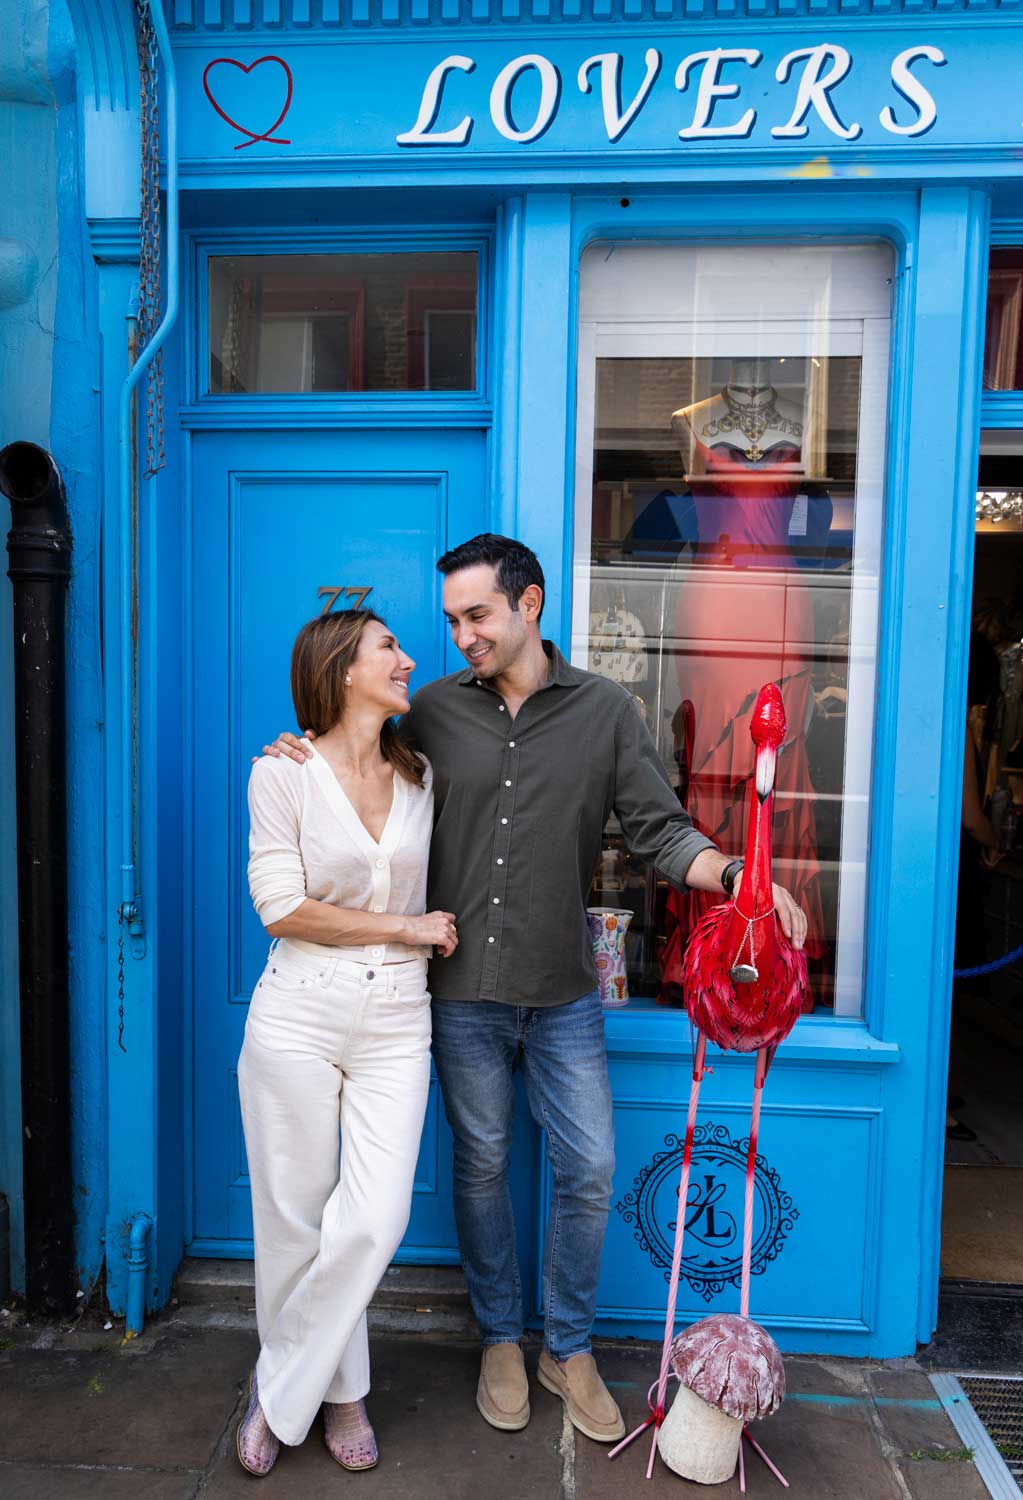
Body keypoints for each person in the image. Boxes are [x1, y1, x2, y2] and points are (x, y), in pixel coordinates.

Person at [264, 535, 807, 1446]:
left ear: (530, 605)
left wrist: (738, 877)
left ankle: (569, 1346)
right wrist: (299, 751)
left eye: (475, 615)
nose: (461, 635)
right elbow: (353, 760)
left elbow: (659, 832)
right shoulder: (428, 710)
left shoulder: (603, 712)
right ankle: (500, 1341)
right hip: (459, 992)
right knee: (479, 1168)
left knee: (588, 1167)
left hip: (561, 991)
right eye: (450, 620)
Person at [236, 609, 458, 1476]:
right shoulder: (281, 775)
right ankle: (341, 1396)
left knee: (372, 1217)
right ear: (340, 669)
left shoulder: (421, 774)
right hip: (298, 1010)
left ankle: (277, 1385)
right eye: (388, 649)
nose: (406, 660)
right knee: (293, 1222)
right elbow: (280, 907)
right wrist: (405, 928)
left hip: (398, 1019)